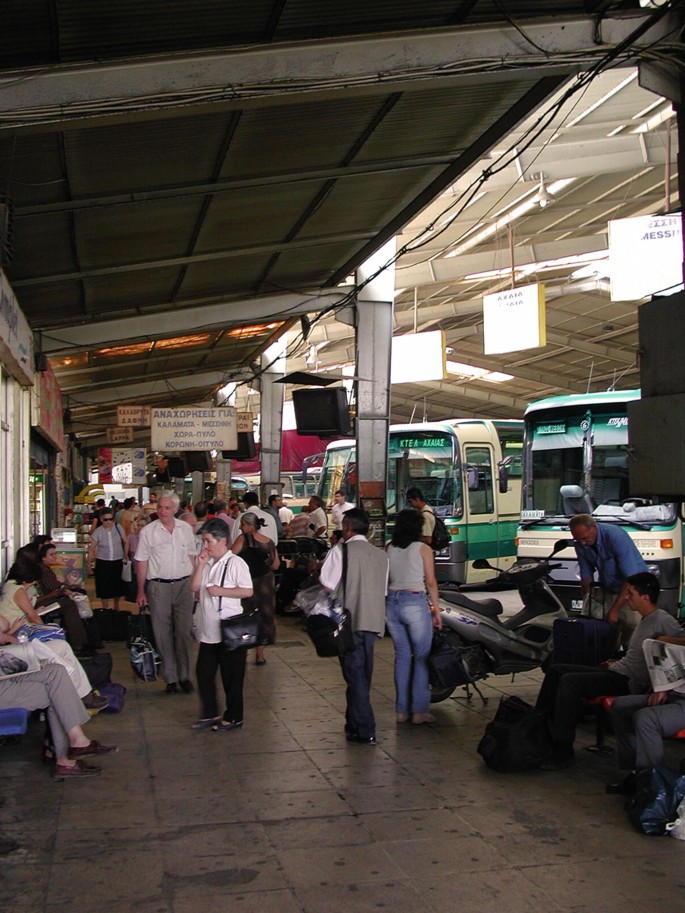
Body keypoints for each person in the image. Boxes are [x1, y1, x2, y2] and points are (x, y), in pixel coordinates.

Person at [536, 572, 682, 769]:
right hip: (617, 671)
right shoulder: (645, 620)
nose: (627, 598)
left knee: (570, 682)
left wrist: (666, 640)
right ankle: (536, 728)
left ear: (645, 597)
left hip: (626, 681)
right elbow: (636, 655)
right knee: (556, 670)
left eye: (630, 594)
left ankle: (563, 752)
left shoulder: (661, 619)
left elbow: (682, 641)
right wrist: (615, 660)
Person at [0, 557, 107, 710]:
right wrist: (45, 629)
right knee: (60, 657)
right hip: (20, 640)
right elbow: (32, 617)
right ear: (26, 579)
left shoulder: (8, 587)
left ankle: (84, 695)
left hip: (19, 637)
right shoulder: (18, 591)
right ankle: (81, 697)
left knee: (63, 648)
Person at [319, 508, 388, 745]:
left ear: (348, 527)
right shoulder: (381, 556)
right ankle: (353, 722)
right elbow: (384, 590)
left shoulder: (341, 551)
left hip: (348, 623)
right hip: (373, 621)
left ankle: (366, 728)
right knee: (361, 674)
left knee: (355, 675)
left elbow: (327, 583)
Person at [0, 653, 115, 778]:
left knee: (56, 670)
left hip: (5, 673)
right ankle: (68, 755)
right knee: (57, 693)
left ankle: (76, 745)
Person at [189, 518, 254, 732]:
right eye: (204, 541)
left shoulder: (236, 563)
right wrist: (199, 564)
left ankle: (234, 715)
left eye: (208, 541)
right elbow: (194, 587)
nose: (205, 546)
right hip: (209, 629)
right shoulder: (208, 563)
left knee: (232, 677)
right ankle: (210, 712)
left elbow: (247, 591)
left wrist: (221, 591)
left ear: (222, 541)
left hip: (229, 629)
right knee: (203, 673)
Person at [607, 629, 685, 794]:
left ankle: (653, 787)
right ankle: (635, 774)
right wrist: (663, 686)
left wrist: (665, 639)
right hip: (676, 694)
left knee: (646, 719)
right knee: (621, 706)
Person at [134, 491, 197, 694]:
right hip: (158, 586)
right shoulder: (148, 532)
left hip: (184, 586)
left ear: (176, 509)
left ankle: (185, 675)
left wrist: (196, 585)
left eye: (167, 508)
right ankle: (170, 677)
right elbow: (141, 562)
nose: (162, 511)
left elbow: (192, 558)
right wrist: (141, 590)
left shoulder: (186, 529)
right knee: (162, 633)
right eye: (160, 507)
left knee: (184, 632)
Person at [386, 509, 442, 725]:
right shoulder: (423, 549)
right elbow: (430, 582)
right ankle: (419, 712)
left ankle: (401, 712)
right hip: (415, 602)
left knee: (401, 656)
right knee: (420, 657)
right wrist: (436, 611)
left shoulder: (389, 547)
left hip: (392, 604)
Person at [570, 513, 648, 649]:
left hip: (634, 588)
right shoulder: (580, 543)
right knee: (605, 631)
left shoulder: (615, 536)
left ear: (594, 527)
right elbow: (586, 576)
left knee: (631, 629)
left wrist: (615, 610)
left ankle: (632, 661)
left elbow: (631, 578)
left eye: (584, 538)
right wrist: (589, 602)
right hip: (609, 587)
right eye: (577, 539)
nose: (582, 543)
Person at [231, 512, 279, 665]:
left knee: (246, 616)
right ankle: (260, 655)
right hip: (266, 583)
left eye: (243, 524)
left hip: (247, 582)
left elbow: (230, 556)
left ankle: (243, 651)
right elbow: (276, 565)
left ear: (250, 526)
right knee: (263, 616)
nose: (241, 527)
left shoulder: (244, 539)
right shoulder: (269, 542)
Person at [33, 543, 89, 653]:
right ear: (43, 557)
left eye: (55, 554)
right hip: (44, 601)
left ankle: (77, 637)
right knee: (69, 604)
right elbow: (54, 587)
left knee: (71, 599)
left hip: (45, 598)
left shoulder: (45, 568)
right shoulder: (44, 570)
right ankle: (78, 642)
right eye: (51, 554)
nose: (54, 557)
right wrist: (66, 588)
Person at [87, 510, 128, 611]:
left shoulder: (118, 527)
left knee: (117, 585)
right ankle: (105, 608)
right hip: (103, 562)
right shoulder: (98, 531)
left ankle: (116, 606)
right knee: (104, 586)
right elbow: (92, 548)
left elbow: (126, 541)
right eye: (106, 520)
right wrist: (88, 564)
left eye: (111, 519)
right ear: (101, 520)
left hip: (117, 560)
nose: (109, 522)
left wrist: (125, 555)